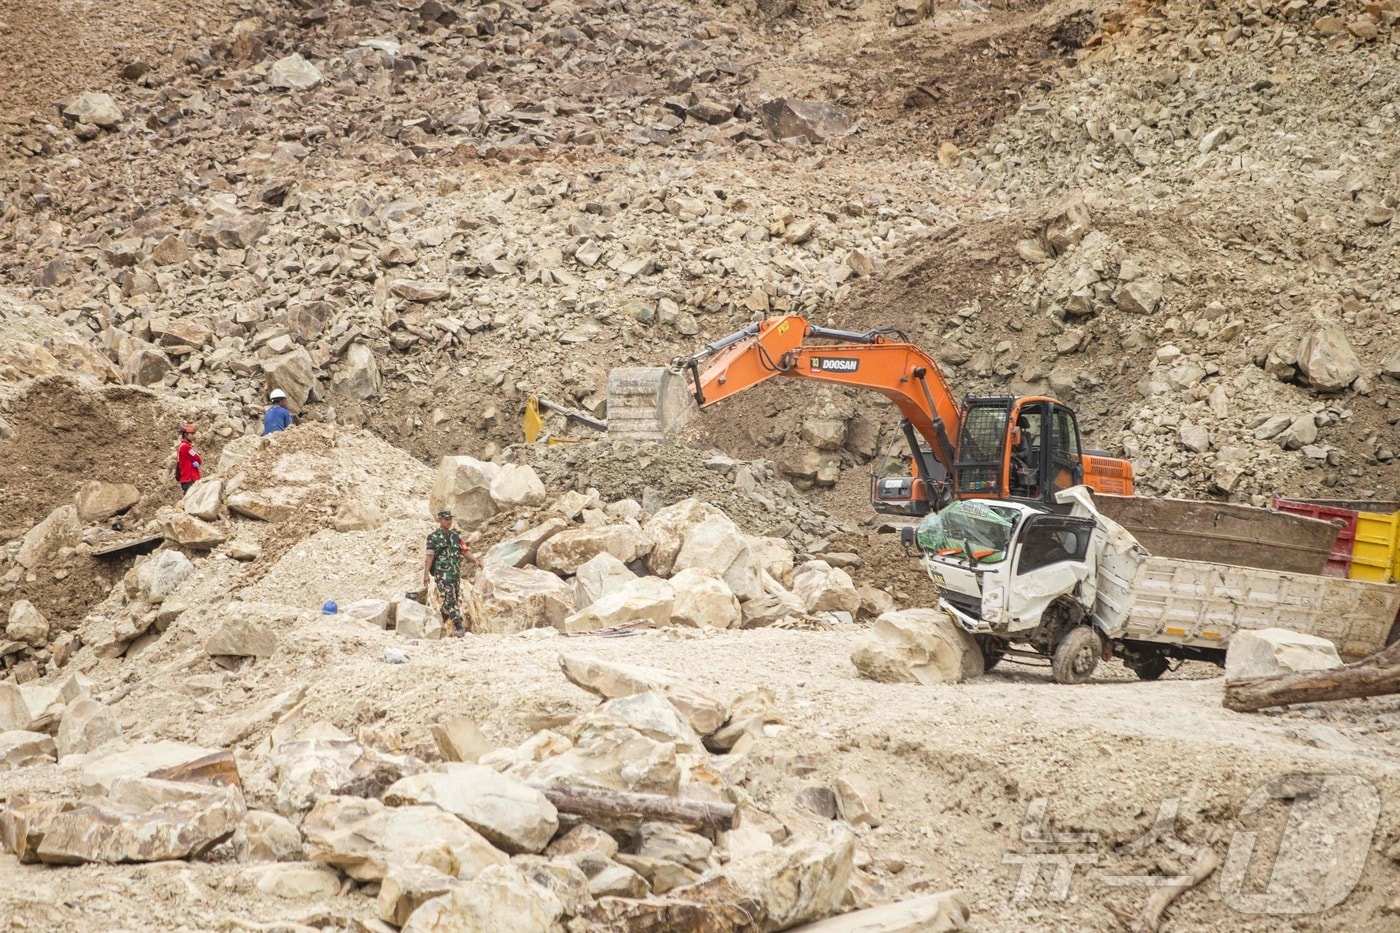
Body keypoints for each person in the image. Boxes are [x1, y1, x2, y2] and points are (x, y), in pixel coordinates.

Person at [423, 509, 483, 637]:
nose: (448, 521)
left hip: (455, 572)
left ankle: (442, 619)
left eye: (450, 519)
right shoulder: (433, 537)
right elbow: (429, 556)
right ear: (440, 520)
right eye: (446, 519)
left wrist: (475, 561)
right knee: (450, 597)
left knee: (452, 599)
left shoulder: (456, 536)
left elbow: (465, 551)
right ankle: (458, 626)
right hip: (441, 573)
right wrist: (426, 573)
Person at [176, 424, 202, 493]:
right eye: (191, 434)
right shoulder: (185, 447)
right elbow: (198, 459)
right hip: (189, 479)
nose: (193, 436)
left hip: (188, 479)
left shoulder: (184, 446)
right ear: (185, 434)